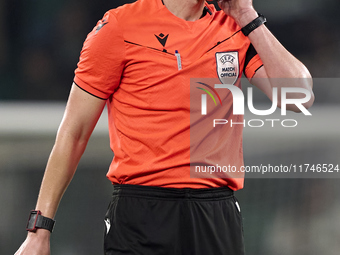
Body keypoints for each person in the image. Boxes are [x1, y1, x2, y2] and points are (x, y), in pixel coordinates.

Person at [15, 0, 314, 254]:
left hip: (215, 212)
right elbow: (73, 132)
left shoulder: (233, 27)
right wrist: (39, 229)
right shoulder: (119, 27)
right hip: (142, 211)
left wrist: (248, 17)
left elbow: (300, 97)